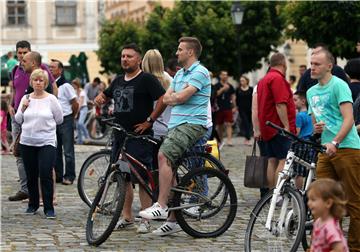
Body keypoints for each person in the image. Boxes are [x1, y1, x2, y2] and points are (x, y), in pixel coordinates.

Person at [139, 36, 211, 236]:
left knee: (163, 156)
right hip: (176, 124)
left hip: (192, 124)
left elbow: (179, 97)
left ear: (190, 52)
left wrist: (175, 98)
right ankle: (173, 220)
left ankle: (161, 205)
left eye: (180, 49)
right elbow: (167, 97)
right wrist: (173, 98)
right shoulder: (179, 75)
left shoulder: (200, 72)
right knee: (170, 170)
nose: (177, 52)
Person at [94, 43, 166, 234]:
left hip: (139, 136)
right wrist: (101, 97)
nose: (125, 59)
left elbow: (163, 99)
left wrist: (150, 121)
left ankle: (145, 219)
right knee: (122, 178)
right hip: (120, 136)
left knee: (141, 178)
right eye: (123, 56)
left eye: (129, 56)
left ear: (139, 59)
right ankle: (127, 218)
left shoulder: (146, 79)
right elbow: (106, 94)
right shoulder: (118, 80)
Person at [307, 48, 360, 250]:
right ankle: (328, 243)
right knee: (324, 200)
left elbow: (349, 119)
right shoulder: (311, 92)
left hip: (347, 148)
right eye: (312, 63)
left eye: (317, 64)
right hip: (325, 150)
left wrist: (336, 142)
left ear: (329, 66)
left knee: (354, 202)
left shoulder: (339, 86)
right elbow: (316, 124)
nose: (312, 67)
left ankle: (355, 247)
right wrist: (317, 128)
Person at [8, 41, 57, 202]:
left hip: (40, 120)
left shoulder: (41, 72)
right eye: (19, 53)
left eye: (24, 54)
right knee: (20, 154)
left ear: (31, 56)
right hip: (20, 116)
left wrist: (52, 105)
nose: (21, 57)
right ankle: (27, 190)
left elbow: (53, 88)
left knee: (44, 161)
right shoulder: (15, 69)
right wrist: (11, 104)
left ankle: (49, 196)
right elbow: (14, 90)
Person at [15, 69, 63, 218]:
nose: (38, 82)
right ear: (31, 82)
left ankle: (49, 207)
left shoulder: (51, 99)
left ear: (45, 83)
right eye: (35, 80)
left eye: (41, 80)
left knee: (45, 172)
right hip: (27, 141)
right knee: (31, 175)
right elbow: (18, 119)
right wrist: (23, 108)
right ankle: (33, 204)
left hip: (46, 141)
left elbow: (59, 119)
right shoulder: (26, 98)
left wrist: (46, 127)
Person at [257, 53, 296, 189]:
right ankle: (278, 193)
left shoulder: (263, 80)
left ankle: (271, 194)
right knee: (283, 160)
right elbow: (280, 104)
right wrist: (286, 126)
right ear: (283, 64)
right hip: (278, 127)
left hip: (267, 127)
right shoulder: (277, 79)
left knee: (272, 160)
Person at [49, 59, 79, 185]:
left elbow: (75, 103)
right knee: (56, 150)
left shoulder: (66, 85)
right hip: (54, 120)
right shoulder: (50, 85)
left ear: (60, 70)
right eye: (49, 67)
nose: (50, 69)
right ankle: (59, 175)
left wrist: (72, 116)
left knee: (68, 151)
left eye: (53, 67)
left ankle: (70, 176)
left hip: (66, 119)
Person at [307, 178, 349, 252]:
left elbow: (339, 249)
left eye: (313, 199)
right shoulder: (319, 222)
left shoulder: (329, 227)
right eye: (309, 199)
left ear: (328, 203)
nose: (309, 203)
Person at [142, 49, 172, 139]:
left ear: (144, 62)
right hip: (168, 127)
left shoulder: (144, 81)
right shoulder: (170, 79)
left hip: (151, 128)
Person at [292, 91, 314, 189]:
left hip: (301, 143)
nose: (293, 102)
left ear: (303, 101)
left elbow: (297, 133)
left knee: (298, 172)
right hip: (311, 143)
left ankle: (298, 192)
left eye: (295, 100)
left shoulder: (299, 116)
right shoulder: (311, 114)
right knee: (309, 169)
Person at [214, 70, 236, 146]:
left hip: (228, 107)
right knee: (220, 125)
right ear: (220, 76)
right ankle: (221, 139)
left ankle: (229, 140)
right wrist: (223, 89)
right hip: (219, 108)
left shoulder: (230, 86)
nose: (225, 76)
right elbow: (215, 95)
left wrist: (234, 106)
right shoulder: (216, 85)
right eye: (223, 75)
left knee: (229, 124)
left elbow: (233, 96)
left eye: (226, 75)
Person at [235, 75, 253, 145]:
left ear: (247, 81)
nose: (241, 82)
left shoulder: (251, 89)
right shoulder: (238, 89)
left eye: (243, 80)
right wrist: (235, 107)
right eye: (241, 81)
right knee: (245, 122)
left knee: (248, 123)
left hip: (250, 108)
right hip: (241, 109)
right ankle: (248, 139)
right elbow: (236, 99)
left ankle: (246, 138)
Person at [72, 78, 90, 144]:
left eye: (74, 84)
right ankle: (80, 141)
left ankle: (87, 136)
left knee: (80, 123)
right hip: (78, 109)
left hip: (83, 108)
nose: (73, 86)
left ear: (77, 85)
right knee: (77, 126)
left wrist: (76, 112)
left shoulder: (82, 92)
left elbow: (81, 103)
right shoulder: (74, 92)